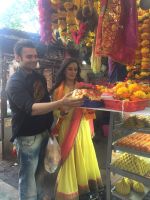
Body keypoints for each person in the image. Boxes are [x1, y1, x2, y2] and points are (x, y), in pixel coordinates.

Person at [6, 39, 83, 200]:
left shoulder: (38, 77)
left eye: (35, 56)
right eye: (29, 56)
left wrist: (59, 114)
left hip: (44, 134)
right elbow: (32, 108)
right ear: (18, 57)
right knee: (28, 178)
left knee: (42, 175)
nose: (34, 59)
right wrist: (61, 102)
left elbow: (46, 102)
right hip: (27, 137)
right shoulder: (14, 83)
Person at [50, 58, 103, 200]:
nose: (73, 72)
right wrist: (64, 110)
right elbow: (55, 111)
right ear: (64, 70)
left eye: (75, 69)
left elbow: (92, 104)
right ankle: (69, 191)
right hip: (66, 126)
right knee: (69, 155)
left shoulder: (83, 87)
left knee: (83, 153)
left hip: (83, 125)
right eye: (70, 69)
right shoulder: (58, 90)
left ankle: (84, 188)